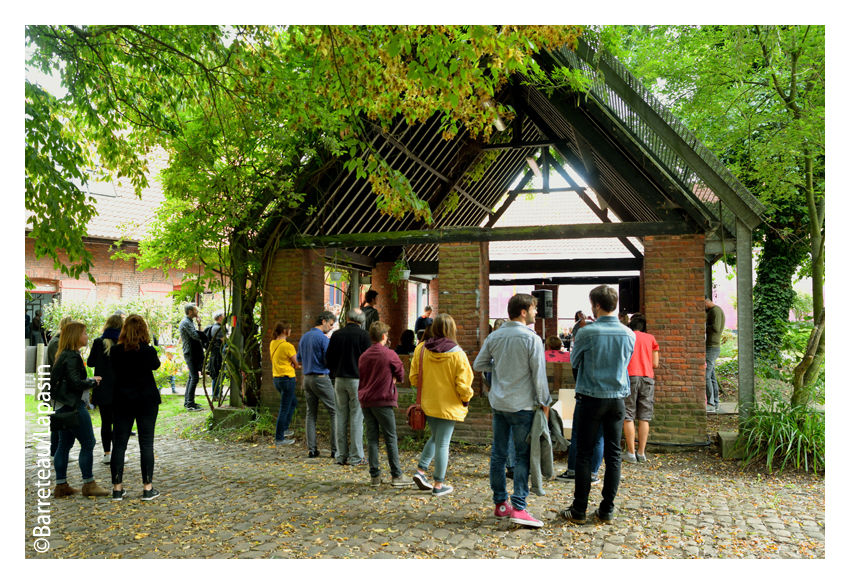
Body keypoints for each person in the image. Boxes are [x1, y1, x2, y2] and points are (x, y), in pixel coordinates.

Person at [560, 285, 635, 526]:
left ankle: (579, 509)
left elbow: (575, 361)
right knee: (614, 455)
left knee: (583, 453)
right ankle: (607, 509)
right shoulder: (629, 333)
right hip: (617, 399)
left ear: (597, 305)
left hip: (590, 398)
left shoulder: (586, 333)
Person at [474, 294, 550, 527]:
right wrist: (544, 403)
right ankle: (519, 506)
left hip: (499, 404)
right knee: (522, 456)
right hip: (523, 406)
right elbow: (538, 375)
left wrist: (497, 371)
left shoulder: (494, 336)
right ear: (524, 311)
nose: (537, 312)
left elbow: (479, 365)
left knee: (498, 455)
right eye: (535, 309)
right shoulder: (531, 339)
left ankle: (500, 504)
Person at [410, 314, 474, 497]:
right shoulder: (458, 354)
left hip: (428, 403)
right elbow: (463, 384)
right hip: (449, 405)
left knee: (437, 438)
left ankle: (421, 471)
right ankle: (438, 484)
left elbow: (414, 378)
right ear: (451, 330)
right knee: (443, 443)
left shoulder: (421, 349)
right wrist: (466, 399)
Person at [51, 321, 109, 497]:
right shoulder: (72, 356)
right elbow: (75, 383)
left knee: (64, 445)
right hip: (73, 405)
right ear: (76, 336)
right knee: (88, 443)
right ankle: (88, 483)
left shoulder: (63, 355)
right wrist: (93, 381)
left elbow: (68, 380)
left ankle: (61, 485)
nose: (87, 336)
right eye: (84, 333)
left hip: (61, 405)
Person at [108, 314, 162, 501]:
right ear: (143, 331)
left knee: (119, 445)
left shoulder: (115, 351)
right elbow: (156, 366)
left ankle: (117, 488)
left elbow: (115, 370)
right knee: (146, 444)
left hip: (122, 400)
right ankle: (147, 488)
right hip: (146, 400)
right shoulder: (148, 351)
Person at [357, 321, 413, 487]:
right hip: (383, 399)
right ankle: (396, 475)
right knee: (390, 437)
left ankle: (375, 476)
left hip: (366, 400)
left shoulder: (364, 355)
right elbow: (401, 374)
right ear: (383, 336)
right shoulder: (389, 354)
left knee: (372, 438)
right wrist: (394, 378)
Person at [325, 308, 372, 465]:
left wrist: (334, 373)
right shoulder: (365, 336)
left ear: (347, 318)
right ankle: (356, 456)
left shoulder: (337, 334)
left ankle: (341, 455)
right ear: (361, 320)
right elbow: (369, 360)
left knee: (340, 416)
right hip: (357, 380)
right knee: (356, 418)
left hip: (339, 379)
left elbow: (328, 358)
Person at [86, 315, 128, 466]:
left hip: (102, 387)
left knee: (105, 422)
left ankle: (107, 454)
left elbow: (90, 363)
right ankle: (119, 453)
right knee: (119, 423)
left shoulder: (98, 342)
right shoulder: (124, 343)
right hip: (120, 388)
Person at [297, 310, 338, 458]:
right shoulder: (324, 339)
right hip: (321, 377)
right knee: (335, 412)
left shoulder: (304, 337)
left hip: (307, 379)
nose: (331, 327)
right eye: (331, 324)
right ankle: (335, 449)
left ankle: (312, 450)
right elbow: (330, 359)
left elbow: (299, 358)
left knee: (311, 414)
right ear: (324, 321)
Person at [622, 313, 660, 463]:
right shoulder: (650, 338)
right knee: (644, 416)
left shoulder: (627, 337)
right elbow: (655, 364)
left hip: (630, 377)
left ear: (630, 326)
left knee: (628, 415)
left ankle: (630, 453)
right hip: (647, 377)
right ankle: (641, 453)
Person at [46, 316, 74, 463]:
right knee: (59, 419)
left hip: (59, 386)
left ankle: (58, 451)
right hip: (58, 387)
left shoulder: (58, 341)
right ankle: (55, 451)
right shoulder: (57, 343)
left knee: (60, 418)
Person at [271, 320, 300, 446]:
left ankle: (285, 429)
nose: (291, 331)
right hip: (287, 379)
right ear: (285, 331)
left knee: (293, 402)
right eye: (290, 329)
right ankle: (279, 438)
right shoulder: (287, 346)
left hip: (277, 378)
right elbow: (297, 364)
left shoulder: (273, 343)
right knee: (284, 407)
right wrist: (295, 364)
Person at [179, 303, 206, 411]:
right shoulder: (186, 322)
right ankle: (190, 404)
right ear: (190, 312)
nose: (197, 312)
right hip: (190, 352)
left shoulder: (190, 321)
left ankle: (188, 402)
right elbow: (194, 335)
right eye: (195, 310)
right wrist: (205, 336)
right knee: (194, 378)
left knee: (192, 377)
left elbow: (195, 333)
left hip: (191, 352)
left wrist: (199, 325)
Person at [705, 296, 726, 413]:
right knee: (712, 377)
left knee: (706, 376)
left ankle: (711, 403)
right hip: (712, 347)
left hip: (712, 348)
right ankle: (716, 403)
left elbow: (716, 328)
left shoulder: (715, 311)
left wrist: (703, 327)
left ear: (705, 302)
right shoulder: (713, 311)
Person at [207, 310, 226, 400]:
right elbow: (225, 340)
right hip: (217, 355)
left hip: (219, 354)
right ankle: (215, 395)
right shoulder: (217, 328)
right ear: (220, 317)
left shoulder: (221, 327)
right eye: (223, 315)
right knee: (217, 374)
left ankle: (219, 394)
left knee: (221, 374)